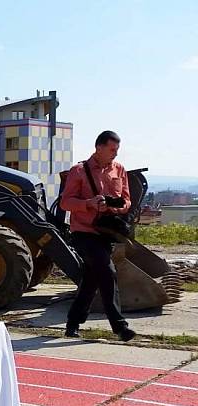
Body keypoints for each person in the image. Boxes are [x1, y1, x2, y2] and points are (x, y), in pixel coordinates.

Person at [60, 131, 136, 341]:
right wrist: (88, 203)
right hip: (83, 232)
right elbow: (65, 202)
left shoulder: (119, 170)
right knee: (107, 271)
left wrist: (117, 206)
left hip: (106, 232)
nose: (115, 154)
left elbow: (127, 200)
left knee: (91, 279)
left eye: (117, 150)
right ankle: (120, 326)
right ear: (99, 148)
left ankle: (72, 323)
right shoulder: (79, 171)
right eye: (112, 149)